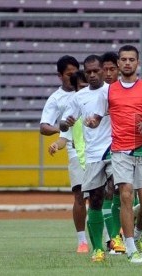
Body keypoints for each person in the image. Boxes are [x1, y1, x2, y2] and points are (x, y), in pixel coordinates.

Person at [88, 44, 142, 263]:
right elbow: (97, 118)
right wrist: (91, 122)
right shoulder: (108, 91)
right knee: (126, 194)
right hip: (119, 150)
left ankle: (137, 235)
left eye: (131, 59)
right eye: (123, 59)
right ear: (118, 64)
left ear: (137, 63)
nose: (127, 63)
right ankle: (130, 248)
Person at [60, 55, 113, 263]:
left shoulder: (112, 91)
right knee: (96, 200)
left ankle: (118, 238)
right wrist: (68, 122)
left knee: (117, 190)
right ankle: (98, 248)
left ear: (103, 70)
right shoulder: (79, 97)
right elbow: (64, 125)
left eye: (95, 71)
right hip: (92, 155)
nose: (92, 75)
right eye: (88, 71)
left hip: (114, 149)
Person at [39, 55, 89, 254]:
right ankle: (82, 240)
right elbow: (44, 127)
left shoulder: (90, 92)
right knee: (79, 194)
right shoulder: (57, 99)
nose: (74, 77)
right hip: (75, 149)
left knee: (105, 195)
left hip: (98, 149)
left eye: (77, 73)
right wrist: (60, 133)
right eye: (70, 74)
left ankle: (112, 237)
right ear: (60, 76)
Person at [98, 51, 126, 255]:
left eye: (112, 69)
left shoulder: (126, 91)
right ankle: (112, 238)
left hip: (125, 146)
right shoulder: (101, 93)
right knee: (109, 192)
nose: (108, 73)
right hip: (102, 149)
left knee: (125, 195)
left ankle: (121, 236)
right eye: (104, 69)